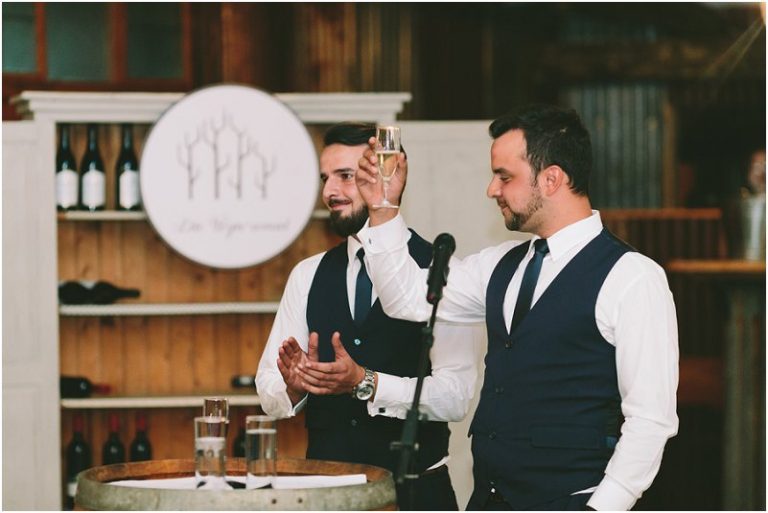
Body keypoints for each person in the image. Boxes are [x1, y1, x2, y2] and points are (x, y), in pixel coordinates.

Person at [355, 104, 679, 511]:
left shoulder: (632, 276)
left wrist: (602, 507)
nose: (492, 189)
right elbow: (405, 298)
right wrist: (383, 208)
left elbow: (651, 419)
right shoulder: (499, 265)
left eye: (504, 177)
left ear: (552, 179)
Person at [255, 122, 478, 510]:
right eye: (325, 178)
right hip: (327, 496)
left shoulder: (441, 270)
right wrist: (296, 386)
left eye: (346, 176)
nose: (329, 192)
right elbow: (267, 388)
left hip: (416, 496)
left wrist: (367, 382)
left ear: (388, 179)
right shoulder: (307, 275)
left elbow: (455, 397)